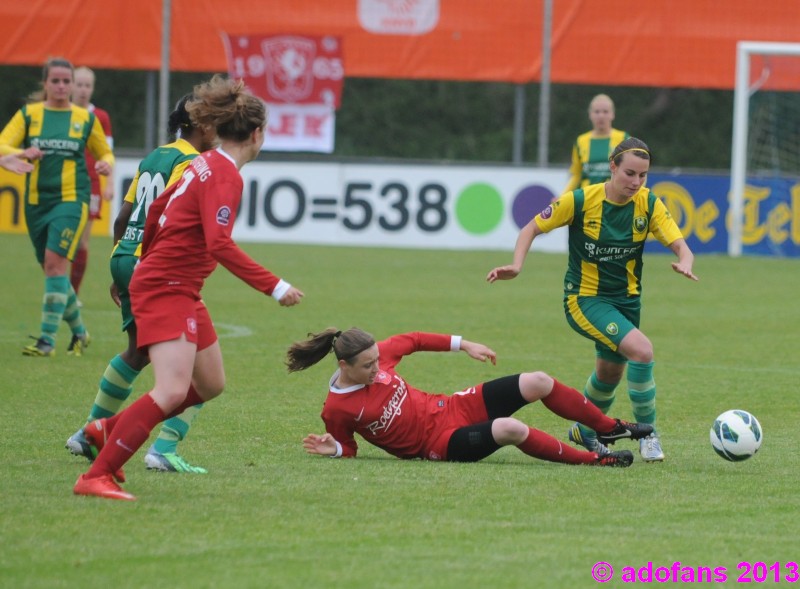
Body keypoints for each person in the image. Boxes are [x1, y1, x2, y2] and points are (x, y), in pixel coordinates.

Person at [72, 75, 304, 501]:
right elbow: (218, 243)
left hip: (174, 284)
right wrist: (275, 286)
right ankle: (96, 475)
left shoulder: (203, 162)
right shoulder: (225, 175)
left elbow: (157, 209)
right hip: (168, 286)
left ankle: (107, 429)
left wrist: (146, 263)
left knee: (211, 382)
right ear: (256, 134)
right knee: (172, 390)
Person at [487, 137, 698, 463]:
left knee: (610, 374)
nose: (636, 182)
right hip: (585, 299)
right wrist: (516, 265)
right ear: (612, 167)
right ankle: (649, 433)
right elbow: (531, 228)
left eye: (643, 176)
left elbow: (681, 245)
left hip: (627, 302)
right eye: (629, 173)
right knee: (642, 351)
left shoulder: (649, 204)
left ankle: (584, 430)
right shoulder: (581, 201)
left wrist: (685, 261)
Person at [66, 93, 218, 474]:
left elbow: (125, 216)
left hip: (128, 256)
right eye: (215, 120)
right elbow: (168, 218)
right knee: (197, 368)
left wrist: (120, 264)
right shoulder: (192, 162)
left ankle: (89, 432)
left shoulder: (155, 156)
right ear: (200, 125)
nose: (220, 128)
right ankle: (161, 448)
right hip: (154, 264)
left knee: (138, 351)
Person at [289, 328, 653, 466]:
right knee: (510, 428)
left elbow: (414, 340)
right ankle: (593, 461)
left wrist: (466, 345)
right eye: (368, 366)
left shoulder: (377, 355)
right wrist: (332, 448)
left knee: (538, 381)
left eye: (376, 361)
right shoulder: (336, 408)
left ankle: (608, 427)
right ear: (344, 365)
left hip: (451, 406)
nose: (376, 368)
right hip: (439, 442)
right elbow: (348, 447)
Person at [0, 57, 114, 357]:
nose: (63, 86)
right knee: (54, 272)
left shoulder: (85, 119)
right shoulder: (30, 114)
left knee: (54, 263)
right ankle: (80, 333)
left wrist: (105, 164)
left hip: (71, 200)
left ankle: (47, 341)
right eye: (57, 81)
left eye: (68, 81)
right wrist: (19, 152)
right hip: (36, 202)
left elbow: (105, 152)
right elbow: (3, 144)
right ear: (46, 84)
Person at [69, 66, 115, 302]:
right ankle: (60, 284)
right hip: (64, 183)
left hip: (91, 184)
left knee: (81, 241)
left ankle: (73, 292)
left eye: (88, 85)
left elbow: (107, 152)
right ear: (70, 85)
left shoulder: (100, 117)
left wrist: (110, 184)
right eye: (79, 84)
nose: (83, 90)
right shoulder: (60, 113)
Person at [564, 94, 629, 194]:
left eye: (605, 112)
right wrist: (562, 197)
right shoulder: (581, 141)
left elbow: (634, 171)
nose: (601, 116)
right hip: (587, 198)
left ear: (612, 114)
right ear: (590, 115)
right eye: (597, 112)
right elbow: (576, 175)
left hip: (613, 198)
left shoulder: (623, 139)